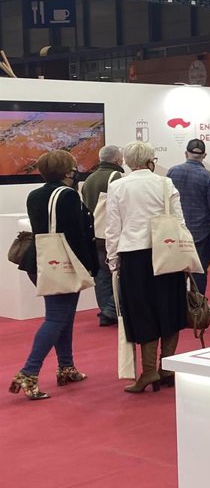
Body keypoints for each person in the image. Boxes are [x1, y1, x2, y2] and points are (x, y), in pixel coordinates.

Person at [9, 151, 99, 400]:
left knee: (63, 317)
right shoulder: (68, 196)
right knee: (57, 317)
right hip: (62, 262)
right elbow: (76, 235)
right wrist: (89, 266)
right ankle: (28, 372)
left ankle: (66, 366)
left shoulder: (35, 194)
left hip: (39, 261)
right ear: (67, 171)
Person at [104, 141, 189, 394]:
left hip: (133, 257)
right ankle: (167, 367)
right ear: (151, 160)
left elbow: (113, 228)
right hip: (167, 251)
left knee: (142, 311)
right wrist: (185, 255)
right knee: (171, 308)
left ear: (127, 162)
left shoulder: (117, 186)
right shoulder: (165, 183)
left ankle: (149, 370)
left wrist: (113, 260)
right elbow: (180, 221)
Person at [167, 139, 210, 313]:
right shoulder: (209, 177)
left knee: (177, 270)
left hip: (176, 231)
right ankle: (197, 306)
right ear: (204, 156)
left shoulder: (172, 172)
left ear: (186, 153)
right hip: (201, 232)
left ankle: (176, 305)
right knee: (199, 271)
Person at [80, 143, 124, 327]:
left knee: (101, 276)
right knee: (121, 273)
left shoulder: (89, 179)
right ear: (117, 160)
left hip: (94, 234)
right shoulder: (117, 177)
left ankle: (106, 310)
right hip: (111, 233)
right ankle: (111, 309)